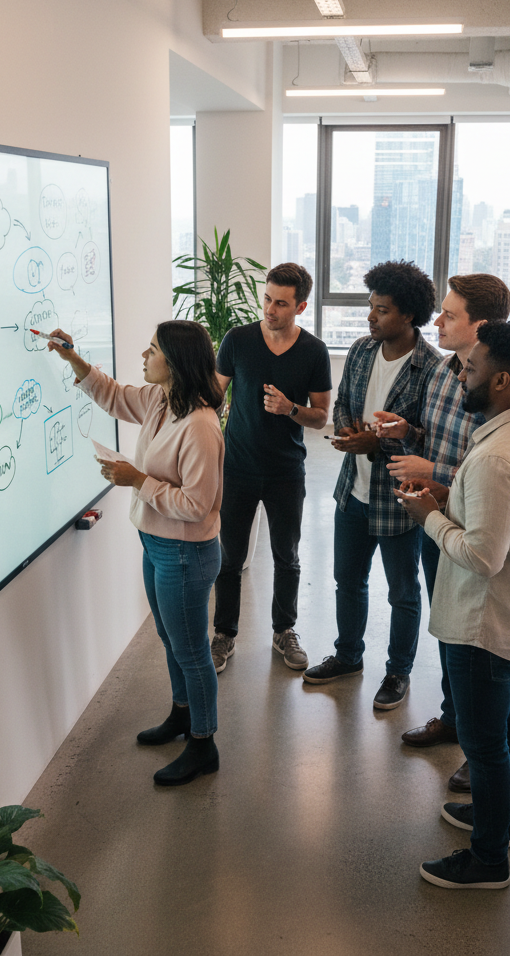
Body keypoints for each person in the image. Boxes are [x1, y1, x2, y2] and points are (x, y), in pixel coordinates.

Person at [396, 321, 510, 889]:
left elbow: (482, 556)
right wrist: (452, 497)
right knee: (508, 720)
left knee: (484, 745)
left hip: (484, 624)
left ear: (501, 380)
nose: (461, 373)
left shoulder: (498, 455)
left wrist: (429, 517)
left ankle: (489, 859)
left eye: (471, 367)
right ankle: (502, 820)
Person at [47, 320, 225, 787]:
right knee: (171, 639)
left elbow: (197, 505)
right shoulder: (161, 400)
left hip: (185, 553)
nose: (144, 357)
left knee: (192, 651)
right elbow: (113, 395)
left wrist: (137, 481)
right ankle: (182, 714)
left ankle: (204, 743)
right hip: (157, 543)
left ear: (176, 363)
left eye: (152, 350)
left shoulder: (201, 426)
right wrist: (72, 357)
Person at [375, 274, 510, 794]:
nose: (438, 321)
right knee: (450, 632)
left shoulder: (500, 389)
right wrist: (406, 431)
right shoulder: (442, 369)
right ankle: (455, 720)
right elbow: (434, 436)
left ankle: (482, 751)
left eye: (450, 315)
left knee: (479, 649)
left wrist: (432, 469)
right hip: (438, 523)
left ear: (482, 325)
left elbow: (494, 474)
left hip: (475, 532)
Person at [303, 260, 441, 710]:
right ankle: (348, 656)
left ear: (408, 315)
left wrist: (377, 445)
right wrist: (348, 430)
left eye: (381, 310)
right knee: (348, 581)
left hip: (398, 502)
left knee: (403, 593)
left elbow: (428, 440)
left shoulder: (431, 368)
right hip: (352, 493)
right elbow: (343, 401)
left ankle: (398, 671)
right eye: (370, 306)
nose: (370, 316)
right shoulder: (362, 349)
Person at [210, 263, 332, 674]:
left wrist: (290, 408)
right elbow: (214, 396)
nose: (270, 309)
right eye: (266, 299)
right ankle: (224, 634)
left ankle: (284, 631)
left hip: (285, 471)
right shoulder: (237, 340)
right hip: (237, 467)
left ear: (300, 306)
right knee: (230, 558)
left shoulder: (314, 351)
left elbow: (321, 416)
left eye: (281, 303)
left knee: (287, 557)